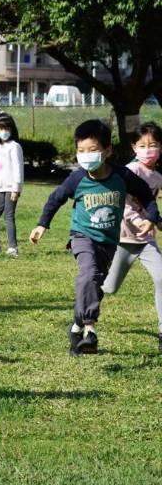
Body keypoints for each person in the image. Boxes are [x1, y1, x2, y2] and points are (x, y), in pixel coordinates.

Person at [29, 119, 159, 357]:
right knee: (88, 274)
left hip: (109, 242)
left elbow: (146, 196)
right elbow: (55, 198)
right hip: (82, 236)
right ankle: (90, 331)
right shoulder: (77, 178)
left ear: (107, 151)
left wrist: (152, 217)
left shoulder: (122, 176)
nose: (85, 156)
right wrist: (42, 224)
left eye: (92, 150)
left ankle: (76, 328)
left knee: (94, 285)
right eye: (81, 151)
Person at [102, 122, 162, 352]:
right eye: (142, 145)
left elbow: (151, 206)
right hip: (123, 240)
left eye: (153, 145)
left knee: (161, 278)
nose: (148, 150)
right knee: (108, 287)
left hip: (146, 242)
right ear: (134, 147)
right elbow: (124, 207)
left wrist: (156, 221)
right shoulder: (129, 172)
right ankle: (83, 320)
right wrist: (142, 222)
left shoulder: (156, 176)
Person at [0, 113, 24, 257]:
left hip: (11, 188)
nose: (3, 131)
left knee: (9, 216)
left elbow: (18, 168)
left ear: (12, 129)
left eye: (6, 128)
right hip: (1, 188)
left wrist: (16, 189)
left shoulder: (15, 147)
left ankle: (13, 247)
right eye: (0, 128)